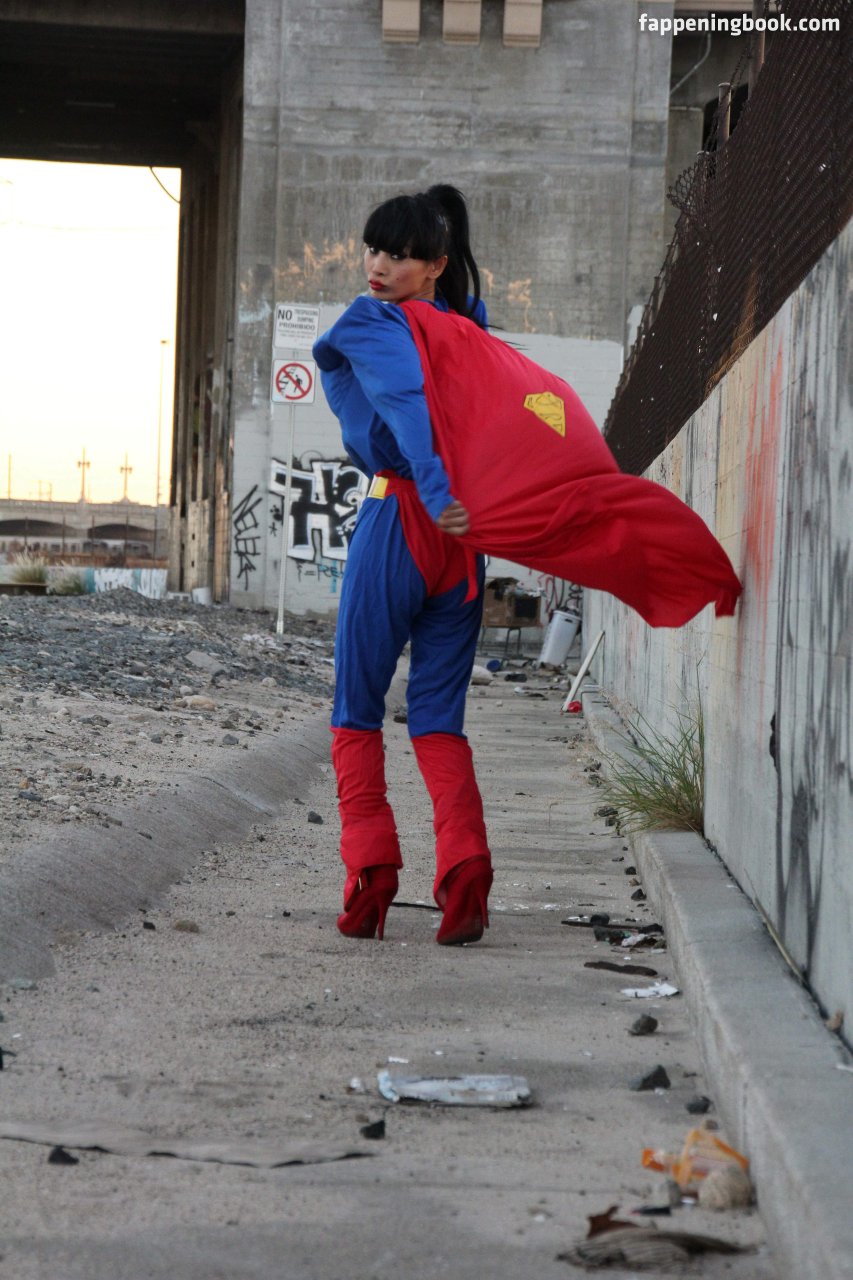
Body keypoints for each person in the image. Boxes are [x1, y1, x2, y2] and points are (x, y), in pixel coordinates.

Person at [313, 184, 493, 947]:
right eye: (374, 249)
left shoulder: (369, 320)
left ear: (434, 264)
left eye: (399, 254)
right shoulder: (470, 325)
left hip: (402, 516)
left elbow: (403, 399)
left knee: (356, 706)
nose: (379, 265)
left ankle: (370, 873)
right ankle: (466, 868)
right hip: (465, 539)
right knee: (437, 715)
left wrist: (438, 489)